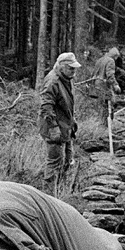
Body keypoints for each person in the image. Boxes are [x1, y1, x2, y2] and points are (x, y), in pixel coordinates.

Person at [38, 52, 80, 189]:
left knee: (68, 159)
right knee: (54, 162)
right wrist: (53, 127)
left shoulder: (65, 79)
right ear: (62, 67)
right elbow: (46, 106)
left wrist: (72, 121)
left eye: (74, 68)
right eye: (71, 68)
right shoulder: (53, 81)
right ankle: (48, 195)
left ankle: (60, 189)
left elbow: (66, 104)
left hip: (65, 125)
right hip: (54, 127)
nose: (74, 71)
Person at [89, 47, 121, 130]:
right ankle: (107, 126)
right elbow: (110, 75)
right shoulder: (111, 61)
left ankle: (102, 125)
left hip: (96, 84)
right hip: (104, 85)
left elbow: (93, 73)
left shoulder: (100, 59)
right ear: (116, 56)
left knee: (102, 105)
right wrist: (115, 85)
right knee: (110, 104)